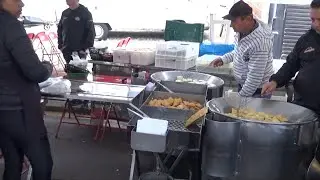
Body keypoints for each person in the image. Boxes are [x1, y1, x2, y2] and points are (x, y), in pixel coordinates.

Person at [0, 0, 53, 179]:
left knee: (12, 162)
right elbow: (35, 72)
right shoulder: (10, 26)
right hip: (19, 109)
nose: (22, 4)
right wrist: (47, 66)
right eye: (16, 0)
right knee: (42, 164)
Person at [262, 0, 320, 115]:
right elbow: (291, 65)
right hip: (303, 107)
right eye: (313, 19)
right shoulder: (305, 40)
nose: (316, 24)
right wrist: (275, 81)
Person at [210, 1, 274, 98]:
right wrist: (223, 59)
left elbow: (254, 78)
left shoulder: (260, 42)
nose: (231, 25)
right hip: (245, 85)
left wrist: (240, 98)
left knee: (250, 112)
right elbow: (239, 52)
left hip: (258, 90)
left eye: (234, 21)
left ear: (248, 19)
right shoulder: (242, 32)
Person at [57, 0, 95, 65]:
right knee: (69, 70)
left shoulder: (85, 13)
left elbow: (91, 32)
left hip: (80, 50)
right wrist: (60, 45)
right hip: (67, 49)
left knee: (78, 71)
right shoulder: (65, 13)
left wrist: (85, 48)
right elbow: (60, 29)